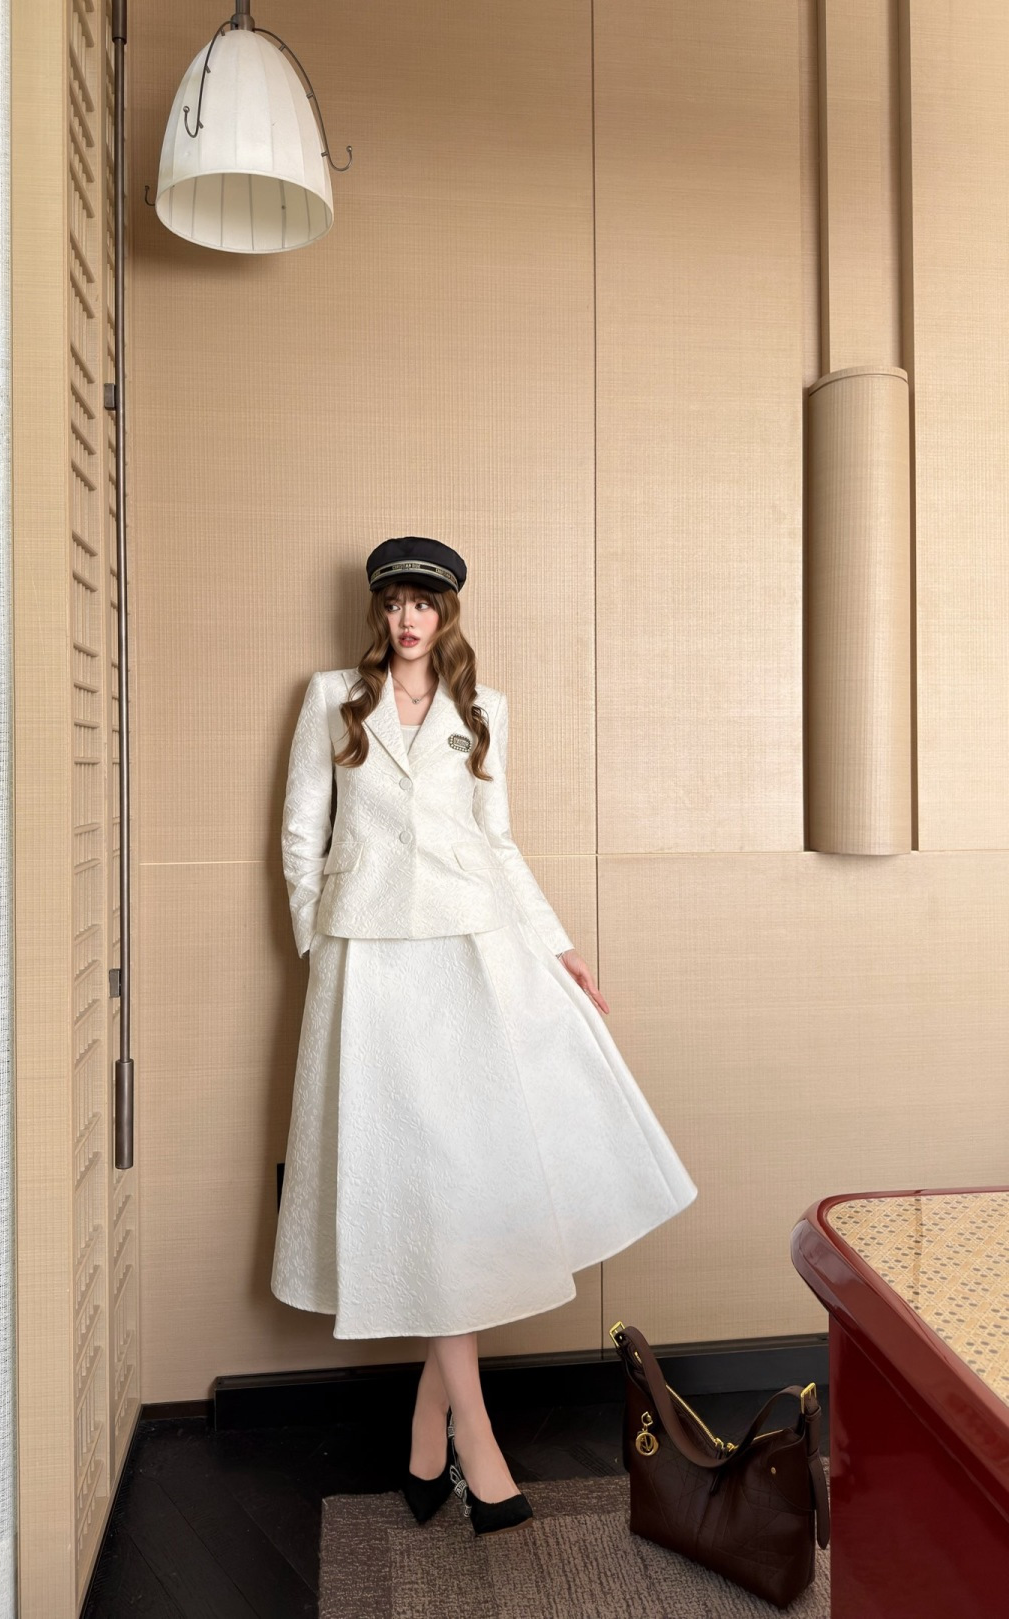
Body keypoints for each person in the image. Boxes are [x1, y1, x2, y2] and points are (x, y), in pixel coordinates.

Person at [270, 535, 698, 1536]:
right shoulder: (332, 696)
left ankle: (437, 1433)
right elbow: (299, 833)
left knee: (457, 1185)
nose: (408, 620)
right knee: (409, 1182)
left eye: (424, 604)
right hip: (369, 964)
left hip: (470, 955)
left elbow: (497, 841)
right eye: (394, 602)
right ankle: (473, 1435)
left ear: (448, 612)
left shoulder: (484, 708)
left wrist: (558, 945)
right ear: (377, 610)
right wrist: (321, 942)